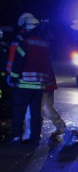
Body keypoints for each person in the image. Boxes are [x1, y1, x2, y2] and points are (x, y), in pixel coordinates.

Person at [5, 12, 52, 145]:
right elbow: (48, 64)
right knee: (36, 113)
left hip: (24, 84)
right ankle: (35, 137)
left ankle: (16, 137)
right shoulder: (44, 44)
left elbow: (18, 63)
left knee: (18, 111)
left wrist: (13, 79)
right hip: (39, 85)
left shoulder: (25, 43)